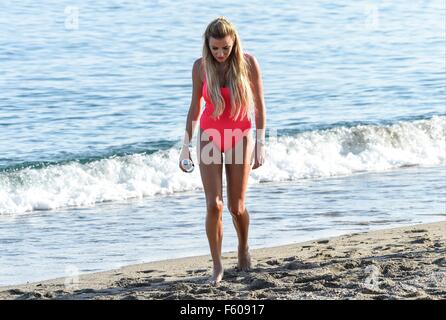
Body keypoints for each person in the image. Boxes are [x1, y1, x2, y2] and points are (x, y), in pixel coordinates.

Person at [179, 16, 266, 284]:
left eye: (225, 48)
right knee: (213, 205)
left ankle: (243, 247)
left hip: (240, 135)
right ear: (207, 45)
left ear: (234, 43)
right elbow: (195, 108)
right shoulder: (200, 67)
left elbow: (260, 106)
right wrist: (185, 147)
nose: (220, 53)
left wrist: (260, 145)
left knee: (236, 207)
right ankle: (217, 265)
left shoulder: (248, 63)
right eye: (215, 48)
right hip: (210, 136)